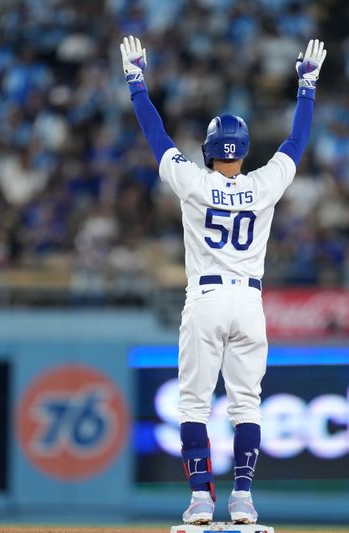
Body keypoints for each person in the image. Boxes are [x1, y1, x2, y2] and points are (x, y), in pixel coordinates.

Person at [119, 35, 326, 525]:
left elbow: (157, 137)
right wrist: (308, 87)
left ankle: (200, 499)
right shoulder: (264, 184)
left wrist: (136, 83)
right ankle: (244, 498)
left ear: (210, 150)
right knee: (246, 406)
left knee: (193, 402)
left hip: (207, 297)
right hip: (250, 303)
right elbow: (296, 142)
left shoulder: (194, 180)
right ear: (245, 149)